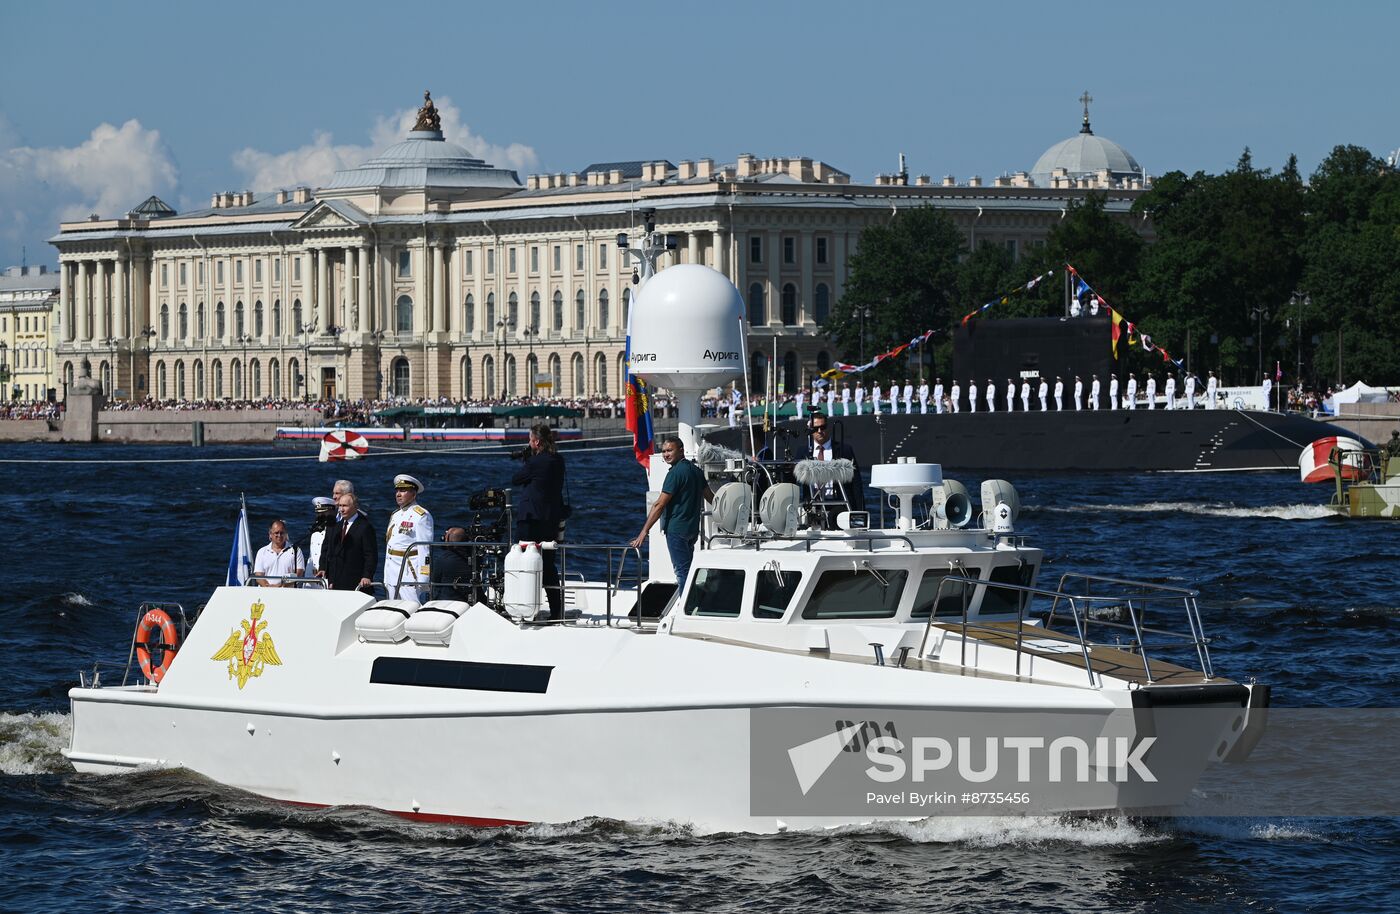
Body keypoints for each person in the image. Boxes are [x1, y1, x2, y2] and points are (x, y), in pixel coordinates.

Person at [629, 435, 707, 590]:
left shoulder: (675, 473)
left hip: (676, 530)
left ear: (681, 450)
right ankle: (692, 603)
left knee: (682, 572)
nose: (666, 454)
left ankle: (686, 608)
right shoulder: (696, 471)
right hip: (692, 530)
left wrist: (644, 532)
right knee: (689, 570)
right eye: (664, 451)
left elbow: (659, 505)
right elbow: (711, 497)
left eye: (670, 450)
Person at [511, 423, 567, 620]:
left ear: (536, 442)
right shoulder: (558, 460)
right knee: (549, 566)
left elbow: (516, 479)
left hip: (530, 519)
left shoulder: (536, 463)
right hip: (550, 518)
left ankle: (522, 608)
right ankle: (556, 610)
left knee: (520, 560)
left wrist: (528, 461)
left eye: (529, 439)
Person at [798, 412, 865, 524]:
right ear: (810, 429)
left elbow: (856, 483)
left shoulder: (844, 450)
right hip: (812, 507)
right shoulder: (802, 452)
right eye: (816, 428)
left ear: (827, 427)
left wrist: (859, 513)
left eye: (823, 427)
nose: (820, 431)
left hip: (840, 505)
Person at [384, 474, 433, 604]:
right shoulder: (396, 514)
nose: (398, 494)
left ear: (413, 494)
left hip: (409, 573)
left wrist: (423, 578)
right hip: (391, 572)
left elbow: (425, 549)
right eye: (397, 490)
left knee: (412, 608)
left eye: (403, 490)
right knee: (393, 609)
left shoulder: (421, 515)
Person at [319, 492, 377, 592]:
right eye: (340, 506)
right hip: (335, 582)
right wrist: (323, 568)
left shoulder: (365, 527)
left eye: (345, 506)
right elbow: (327, 549)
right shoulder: (334, 527)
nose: (341, 509)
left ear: (355, 507)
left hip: (357, 582)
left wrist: (367, 576)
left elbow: (370, 555)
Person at [428, 527, 477, 604]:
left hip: (446, 600)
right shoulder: (474, 559)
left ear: (447, 541)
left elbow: (434, 582)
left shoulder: (441, 560)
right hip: (467, 600)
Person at [252, 519, 303, 587]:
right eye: (276, 533)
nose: (279, 535)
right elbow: (259, 575)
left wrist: (280, 586)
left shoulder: (296, 551)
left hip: (288, 593)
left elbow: (299, 573)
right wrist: (268, 587)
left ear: (286, 534)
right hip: (265, 593)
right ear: (270, 534)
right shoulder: (262, 552)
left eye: (282, 533)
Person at [305, 496, 336, 579]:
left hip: (325, 575)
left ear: (332, 512)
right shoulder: (315, 530)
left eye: (323, 513)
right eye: (318, 513)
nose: (320, 516)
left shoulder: (335, 530)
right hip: (311, 575)